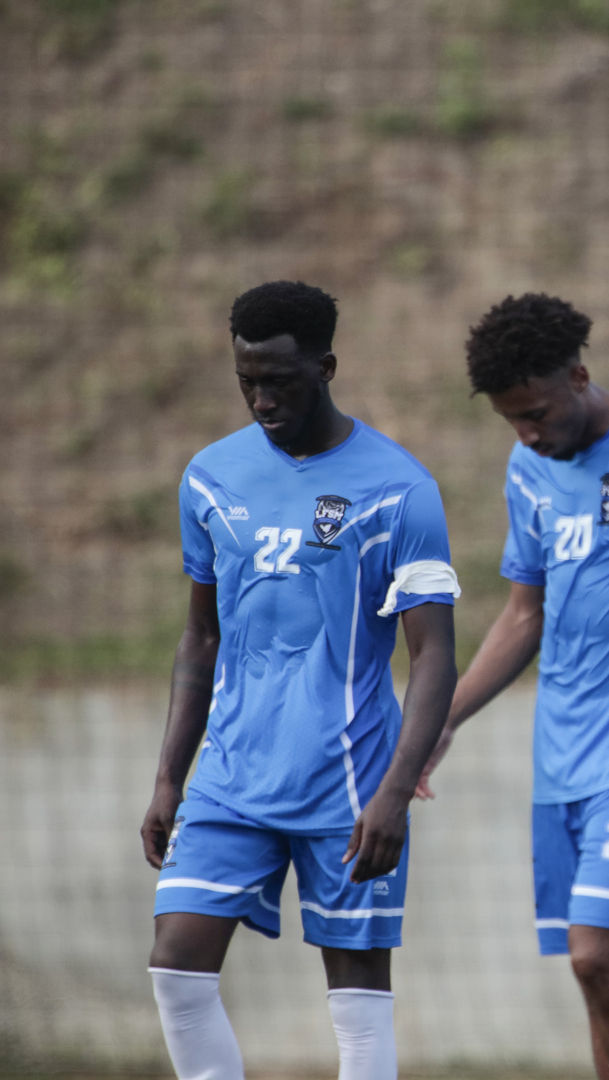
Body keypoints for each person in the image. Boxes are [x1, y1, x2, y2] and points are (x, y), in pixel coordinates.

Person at [140, 280, 460, 1080]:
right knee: (177, 969)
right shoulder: (211, 476)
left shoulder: (399, 488)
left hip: (347, 783)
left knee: (356, 1004)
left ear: (326, 366)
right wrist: (168, 777)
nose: (261, 398)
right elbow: (200, 635)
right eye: (246, 380)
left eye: (279, 379)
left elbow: (434, 657)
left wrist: (392, 792)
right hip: (231, 775)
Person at [416, 293, 609, 1080]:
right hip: (559, 766)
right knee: (601, 982)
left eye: (537, 412)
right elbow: (522, 614)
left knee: (597, 957)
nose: (528, 434)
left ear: (579, 375)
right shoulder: (529, 467)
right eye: (512, 420)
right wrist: (447, 719)